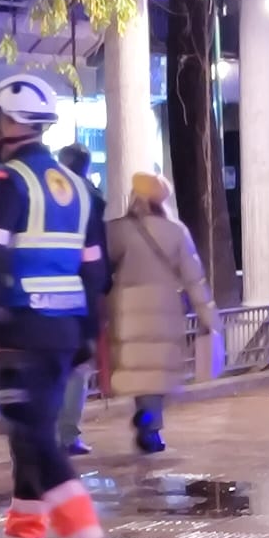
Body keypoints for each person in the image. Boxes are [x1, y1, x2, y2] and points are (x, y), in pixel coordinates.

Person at [0, 73, 120, 538]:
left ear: (10, 123)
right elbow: (96, 270)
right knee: (28, 439)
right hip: (64, 331)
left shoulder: (5, 184)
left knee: (36, 442)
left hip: (20, 330)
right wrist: (86, 332)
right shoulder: (79, 189)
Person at [106, 173, 217, 454]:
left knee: (138, 370)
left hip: (126, 309)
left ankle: (146, 417)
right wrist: (208, 316)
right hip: (165, 309)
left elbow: (101, 266)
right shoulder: (176, 231)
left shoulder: (118, 230)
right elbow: (194, 278)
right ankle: (150, 426)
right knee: (156, 374)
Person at [53, 144, 106, 457]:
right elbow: (97, 254)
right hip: (80, 295)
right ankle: (67, 435)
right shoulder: (93, 199)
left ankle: (49, 434)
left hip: (44, 294)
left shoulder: (46, 195)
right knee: (77, 369)